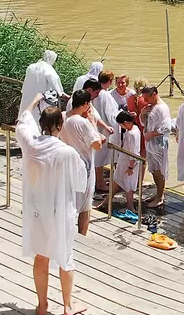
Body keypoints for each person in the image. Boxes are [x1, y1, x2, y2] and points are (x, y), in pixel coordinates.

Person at [17, 93, 87, 315]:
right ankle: (67, 306)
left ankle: (42, 304)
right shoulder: (67, 152)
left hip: (37, 210)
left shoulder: (30, 144)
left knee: (41, 256)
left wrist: (35, 101)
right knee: (65, 257)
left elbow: (22, 122)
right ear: (60, 124)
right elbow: (80, 182)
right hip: (60, 211)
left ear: (41, 125)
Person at [57, 89, 104, 235]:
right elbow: (97, 144)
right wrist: (92, 123)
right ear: (85, 104)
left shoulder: (62, 116)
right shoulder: (83, 122)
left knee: (67, 200)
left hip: (66, 164)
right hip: (84, 166)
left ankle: (63, 231)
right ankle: (81, 236)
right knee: (85, 205)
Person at [141, 87, 171, 208]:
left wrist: (151, 134)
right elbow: (145, 122)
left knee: (159, 170)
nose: (146, 101)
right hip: (150, 143)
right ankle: (158, 192)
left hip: (158, 143)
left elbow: (167, 127)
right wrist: (142, 113)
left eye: (147, 98)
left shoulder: (162, 108)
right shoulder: (150, 106)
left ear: (154, 94)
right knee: (153, 169)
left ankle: (160, 196)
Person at [19, 50, 66, 122]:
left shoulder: (31, 67)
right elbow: (55, 82)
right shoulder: (48, 69)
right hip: (39, 98)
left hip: (28, 96)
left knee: (26, 115)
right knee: (38, 118)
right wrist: (60, 92)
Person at [91, 72, 119, 192]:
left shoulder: (97, 93)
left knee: (98, 155)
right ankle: (100, 182)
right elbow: (111, 114)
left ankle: (99, 180)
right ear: (109, 81)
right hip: (105, 127)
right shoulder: (105, 95)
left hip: (97, 126)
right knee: (100, 156)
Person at [112, 111, 141, 212]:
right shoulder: (135, 129)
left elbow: (133, 152)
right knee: (117, 180)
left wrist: (130, 167)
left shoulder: (131, 134)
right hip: (125, 160)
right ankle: (107, 201)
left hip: (128, 162)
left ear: (125, 123)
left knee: (129, 185)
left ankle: (130, 207)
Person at [126, 77, 149, 158]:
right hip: (144, 127)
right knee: (143, 152)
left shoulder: (130, 99)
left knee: (133, 150)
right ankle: (142, 171)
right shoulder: (146, 100)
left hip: (133, 127)